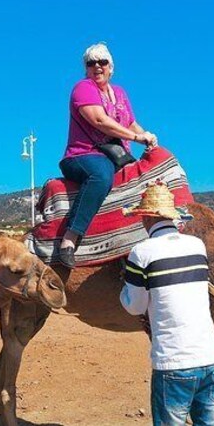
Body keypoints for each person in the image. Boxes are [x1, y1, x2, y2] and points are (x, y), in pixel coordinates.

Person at [120, 182, 214, 426]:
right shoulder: (197, 246)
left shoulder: (141, 252)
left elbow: (135, 306)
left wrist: (125, 287)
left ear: (145, 218)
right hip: (210, 358)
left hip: (173, 363)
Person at [57, 42, 158, 268]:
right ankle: (70, 238)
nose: (97, 66)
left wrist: (148, 138)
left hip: (116, 157)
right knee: (102, 175)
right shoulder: (83, 88)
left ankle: (130, 244)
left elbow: (130, 123)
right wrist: (136, 139)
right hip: (83, 155)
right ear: (86, 68)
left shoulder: (120, 93)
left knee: (145, 180)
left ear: (111, 67)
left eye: (102, 62)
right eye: (91, 63)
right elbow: (100, 120)